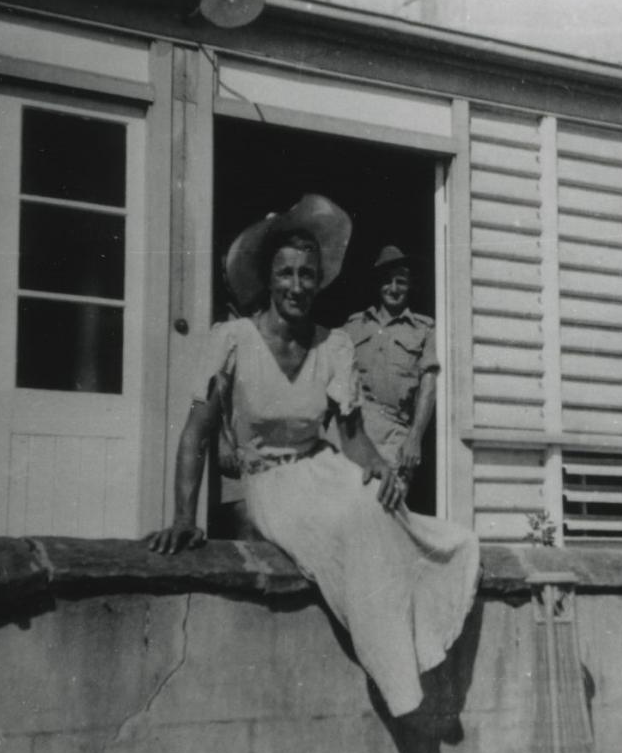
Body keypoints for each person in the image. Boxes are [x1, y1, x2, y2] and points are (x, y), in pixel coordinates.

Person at [145, 194, 479, 722]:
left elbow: (353, 437)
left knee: (387, 508)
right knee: (355, 520)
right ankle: (399, 683)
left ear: (319, 280)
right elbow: (196, 433)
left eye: (308, 274)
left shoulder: (333, 345)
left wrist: (381, 468)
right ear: (268, 278)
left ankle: (413, 653)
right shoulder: (230, 340)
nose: (297, 286)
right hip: (268, 482)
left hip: (323, 467)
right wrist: (184, 516)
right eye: (286, 274)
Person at [342, 245, 439, 490]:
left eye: (401, 282)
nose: (393, 289)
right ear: (377, 284)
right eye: (387, 281)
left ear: (410, 286)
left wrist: (414, 438)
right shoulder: (354, 325)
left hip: (394, 433)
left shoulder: (424, 330)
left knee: (386, 509)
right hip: (352, 429)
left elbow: (429, 386)